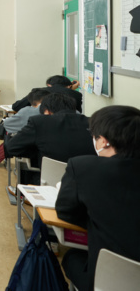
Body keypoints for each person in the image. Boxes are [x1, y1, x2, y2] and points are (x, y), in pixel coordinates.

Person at [55, 105, 140, 291]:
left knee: (70, 258)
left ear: (103, 141)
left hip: (110, 280)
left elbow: (65, 213)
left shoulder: (84, 167)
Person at [4, 93, 94, 184]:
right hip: (88, 181)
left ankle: (20, 195)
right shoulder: (93, 123)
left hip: (49, 183)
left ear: (46, 111)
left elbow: (11, 148)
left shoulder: (39, 122)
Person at [12, 74, 82, 113]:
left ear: (49, 85)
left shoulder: (38, 92)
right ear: (69, 86)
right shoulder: (77, 95)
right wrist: (70, 89)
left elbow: (17, 106)